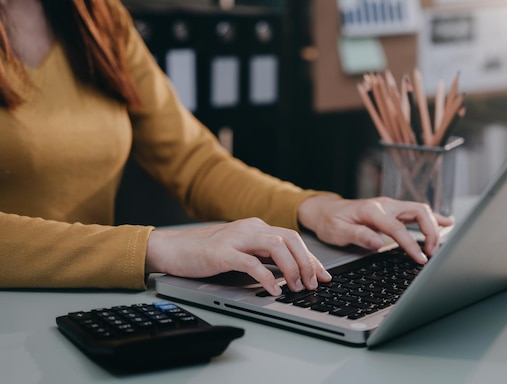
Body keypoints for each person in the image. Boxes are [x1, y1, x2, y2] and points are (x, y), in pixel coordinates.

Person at [0, 0, 452, 296]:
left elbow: (194, 163)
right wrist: (153, 248)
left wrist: (312, 207)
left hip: (88, 300)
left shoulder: (97, 17)